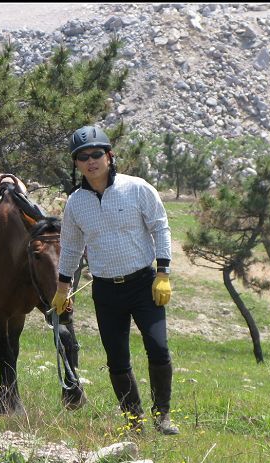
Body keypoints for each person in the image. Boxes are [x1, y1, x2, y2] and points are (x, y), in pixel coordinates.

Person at [51, 125, 179, 435]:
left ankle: (162, 415)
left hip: (143, 284)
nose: (91, 161)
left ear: (110, 156)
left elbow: (160, 228)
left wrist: (163, 273)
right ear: (77, 164)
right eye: (83, 157)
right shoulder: (76, 203)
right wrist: (62, 289)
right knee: (117, 359)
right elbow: (70, 247)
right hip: (106, 291)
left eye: (96, 154)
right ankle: (134, 422)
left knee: (158, 349)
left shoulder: (137, 188)